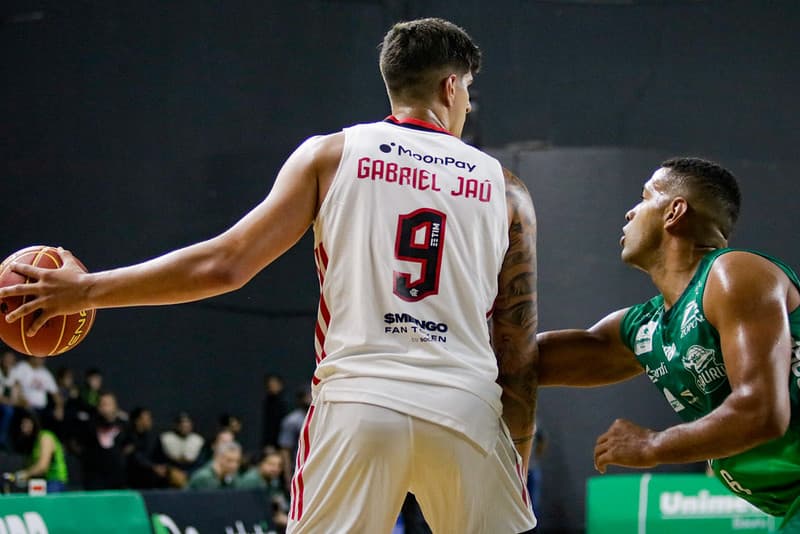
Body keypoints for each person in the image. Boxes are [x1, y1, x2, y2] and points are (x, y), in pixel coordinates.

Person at [0, 17, 538, 533]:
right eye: (468, 89)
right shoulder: (506, 188)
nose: (468, 101)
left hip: (360, 402)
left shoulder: (332, 155)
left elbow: (224, 265)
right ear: (451, 86)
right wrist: (515, 454)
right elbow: (515, 349)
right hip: (465, 408)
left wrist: (86, 291)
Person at [537, 157, 800, 530]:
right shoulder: (647, 326)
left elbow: (761, 412)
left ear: (675, 211)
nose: (630, 212)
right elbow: (532, 360)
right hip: (785, 507)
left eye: (644, 197)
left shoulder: (733, 274)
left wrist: (652, 445)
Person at [11, 410, 69, 493]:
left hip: (55, 482)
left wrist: (25, 474)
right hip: (40, 482)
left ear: (35, 423)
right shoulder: (31, 442)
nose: (23, 427)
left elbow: (43, 466)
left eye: (27, 423)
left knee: (46, 505)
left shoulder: (45, 437)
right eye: (22, 424)